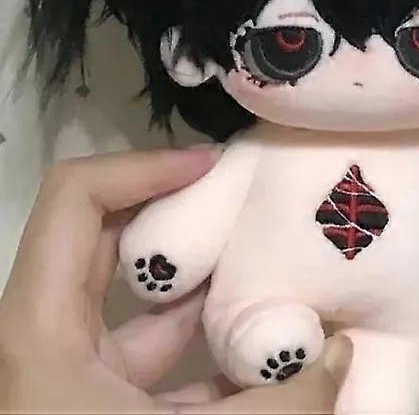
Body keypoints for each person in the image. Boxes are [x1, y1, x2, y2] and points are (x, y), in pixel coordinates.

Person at [0, 146, 351, 413]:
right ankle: (263, 331)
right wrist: (170, 246)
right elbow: (210, 204)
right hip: (268, 301)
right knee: (269, 336)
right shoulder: (255, 151)